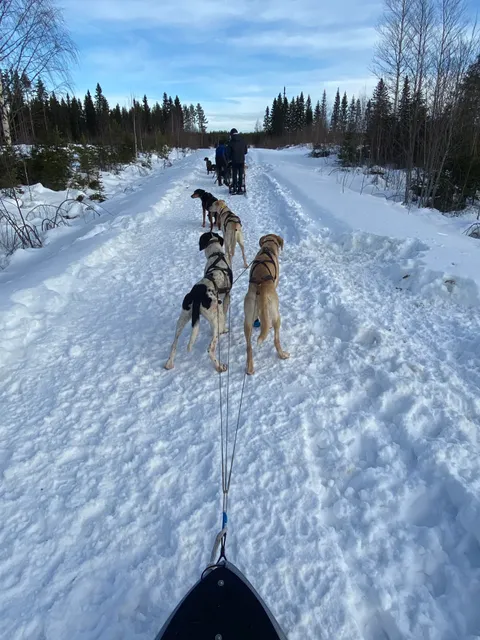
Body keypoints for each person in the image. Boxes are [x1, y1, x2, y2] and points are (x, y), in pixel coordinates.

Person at [227, 128, 247, 194]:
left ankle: (235, 187)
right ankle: (240, 188)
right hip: (241, 160)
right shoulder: (243, 141)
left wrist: (229, 159)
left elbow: (228, 153)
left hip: (234, 161)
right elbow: (245, 151)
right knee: (241, 174)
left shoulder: (231, 142)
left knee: (234, 174)